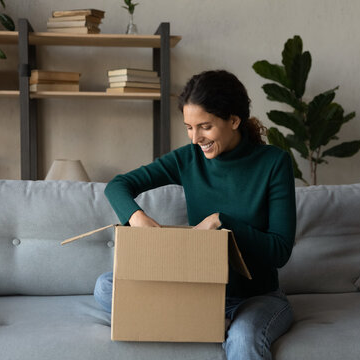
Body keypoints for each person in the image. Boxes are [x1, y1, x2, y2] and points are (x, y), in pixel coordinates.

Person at [94, 69, 296, 360]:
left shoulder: (274, 163)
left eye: (205, 127)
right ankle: (204, 320)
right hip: (198, 290)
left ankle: (217, 325)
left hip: (256, 298)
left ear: (234, 120)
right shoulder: (188, 158)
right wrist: (137, 218)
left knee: (243, 338)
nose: (195, 138)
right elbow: (118, 185)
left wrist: (222, 221)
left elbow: (280, 251)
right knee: (105, 285)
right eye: (189, 127)